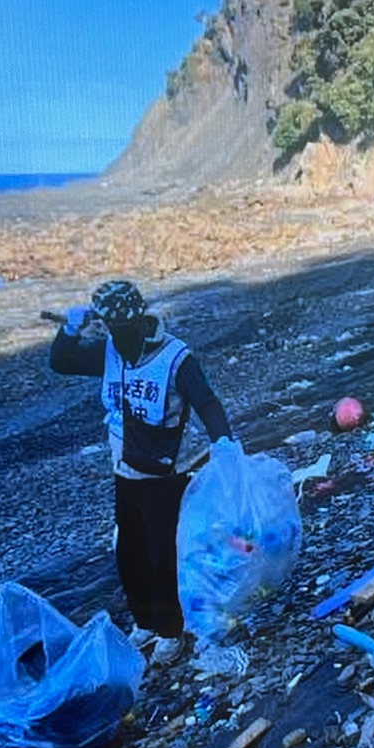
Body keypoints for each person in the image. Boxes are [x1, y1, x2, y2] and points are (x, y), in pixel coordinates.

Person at [50, 281, 233, 665]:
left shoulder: (175, 358)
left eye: (123, 329)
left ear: (139, 320)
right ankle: (145, 621)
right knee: (129, 552)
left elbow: (207, 401)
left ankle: (170, 629)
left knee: (160, 553)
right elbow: (61, 362)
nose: (118, 336)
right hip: (126, 471)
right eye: (110, 329)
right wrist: (70, 329)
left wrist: (224, 444)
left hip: (166, 473)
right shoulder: (111, 352)